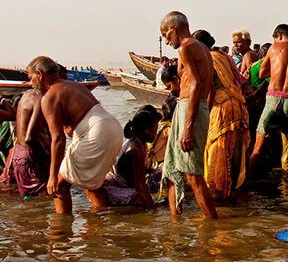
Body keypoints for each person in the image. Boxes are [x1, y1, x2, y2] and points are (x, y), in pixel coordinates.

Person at [30, 56, 124, 213]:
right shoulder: (74, 85)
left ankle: (60, 231)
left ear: (40, 74)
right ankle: (100, 221)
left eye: (30, 78)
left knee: (59, 185)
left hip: (97, 132)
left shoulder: (49, 97)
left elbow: (58, 139)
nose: (30, 83)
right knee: (90, 184)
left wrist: (52, 176)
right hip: (113, 128)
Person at [158, 12, 217, 218]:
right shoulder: (202, 48)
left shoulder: (186, 48)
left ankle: (213, 225)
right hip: (193, 108)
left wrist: (188, 128)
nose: (166, 41)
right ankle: (176, 223)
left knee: (193, 175)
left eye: (166, 35)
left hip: (190, 109)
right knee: (173, 167)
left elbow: (195, 86)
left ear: (174, 29)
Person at [195, 30, 250, 202]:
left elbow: (210, 88)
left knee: (216, 151)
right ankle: (232, 190)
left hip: (222, 109)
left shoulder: (208, 58)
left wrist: (205, 110)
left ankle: (218, 193)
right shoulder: (224, 56)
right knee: (234, 150)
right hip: (238, 106)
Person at [251, 24, 288, 172]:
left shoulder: (273, 48)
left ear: (279, 36)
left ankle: (248, 183)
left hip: (272, 100)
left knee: (258, 147)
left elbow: (262, 74)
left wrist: (276, 74)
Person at [101, 107, 160, 207]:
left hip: (126, 184)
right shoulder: (135, 150)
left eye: (155, 130)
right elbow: (140, 185)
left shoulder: (141, 143)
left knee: (163, 172)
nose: (154, 134)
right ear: (140, 132)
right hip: (116, 188)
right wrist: (152, 207)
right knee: (141, 199)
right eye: (151, 131)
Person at [11, 79, 49, 198]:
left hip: (19, 154)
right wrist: (47, 156)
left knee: (30, 199)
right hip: (31, 155)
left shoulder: (26, 95)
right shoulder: (40, 100)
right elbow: (30, 138)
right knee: (44, 199)